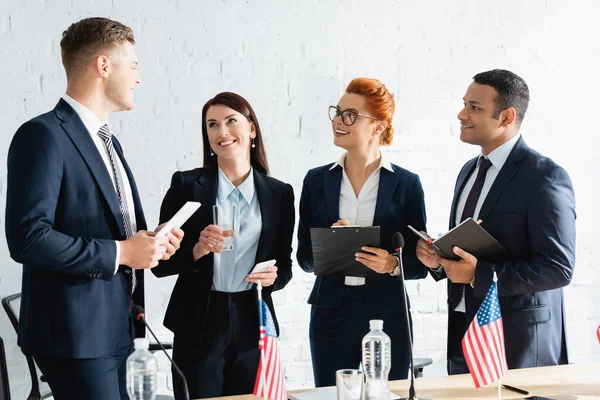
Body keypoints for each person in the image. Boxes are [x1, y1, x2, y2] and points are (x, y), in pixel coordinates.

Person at [5, 17, 183, 399]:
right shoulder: (42, 135)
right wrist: (122, 252)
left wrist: (150, 243)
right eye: (133, 66)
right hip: (77, 336)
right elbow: (27, 238)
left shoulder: (109, 143)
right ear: (104, 66)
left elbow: (108, 229)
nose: (137, 78)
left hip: (118, 326)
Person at [416, 69, 576, 375]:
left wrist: (480, 274)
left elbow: (558, 267)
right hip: (464, 334)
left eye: (475, 107)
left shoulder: (545, 177)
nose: (461, 114)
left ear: (506, 116)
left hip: (520, 342)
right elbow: (471, 250)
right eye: (464, 104)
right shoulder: (468, 171)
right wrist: (438, 259)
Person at [152, 92, 295, 399]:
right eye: (212, 125)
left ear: (252, 129)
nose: (222, 132)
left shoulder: (280, 194)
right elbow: (158, 264)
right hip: (199, 319)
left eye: (231, 121)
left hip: (253, 318)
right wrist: (196, 250)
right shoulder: (186, 186)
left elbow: (285, 265)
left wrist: (275, 277)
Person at [297, 77, 428, 387]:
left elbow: (422, 261)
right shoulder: (316, 181)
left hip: (388, 314)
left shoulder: (407, 184)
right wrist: (327, 243)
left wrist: (392, 265)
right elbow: (303, 258)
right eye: (338, 112)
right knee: (332, 396)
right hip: (330, 313)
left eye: (350, 115)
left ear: (378, 126)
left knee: (389, 394)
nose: (338, 121)